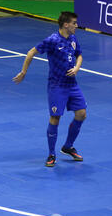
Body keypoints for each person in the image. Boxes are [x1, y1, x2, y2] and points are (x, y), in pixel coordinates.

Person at [13, 11, 87, 167]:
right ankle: (51, 154)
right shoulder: (52, 40)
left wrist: (77, 68)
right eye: (74, 23)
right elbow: (31, 52)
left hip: (72, 84)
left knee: (81, 114)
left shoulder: (73, 38)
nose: (76, 25)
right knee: (55, 118)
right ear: (66, 24)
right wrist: (24, 72)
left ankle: (68, 146)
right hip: (57, 86)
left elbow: (79, 55)